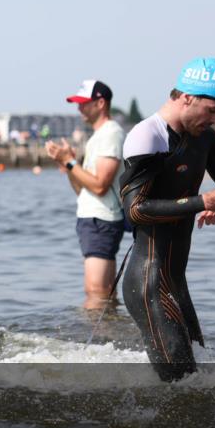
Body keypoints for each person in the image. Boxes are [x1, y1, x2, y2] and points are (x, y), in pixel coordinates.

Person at [119, 58, 215, 382]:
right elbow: (135, 210)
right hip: (147, 284)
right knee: (183, 386)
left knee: (198, 381)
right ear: (187, 97)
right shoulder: (147, 136)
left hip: (177, 283)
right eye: (211, 110)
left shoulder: (206, 139)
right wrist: (202, 201)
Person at [45, 80, 126, 309]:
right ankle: (107, 337)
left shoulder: (110, 134)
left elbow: (100, 185)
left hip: (101, 219)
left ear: (101, 103)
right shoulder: (98, 136)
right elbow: (82, 190)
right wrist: (69, 165)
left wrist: (70, 162)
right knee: (103, 292)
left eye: (84, 103)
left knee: (96, 292)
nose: (79, 108)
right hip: (95, 218)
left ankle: (96, 340)